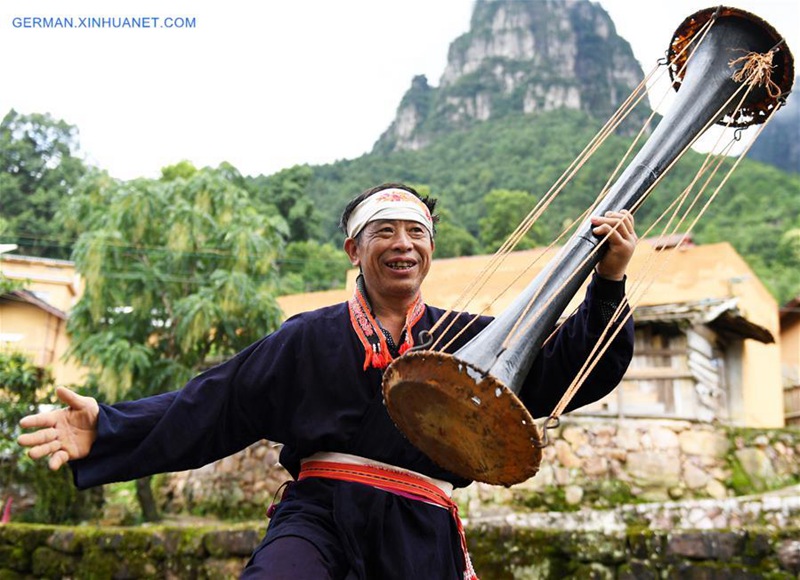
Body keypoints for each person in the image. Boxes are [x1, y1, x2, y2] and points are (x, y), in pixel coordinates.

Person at [18, 183, 637, 579]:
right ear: (353, 249)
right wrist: (109, 425)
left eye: (415, 233)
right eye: (383, 232)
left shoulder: (472, 343)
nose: (402, 244)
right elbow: (216, 402)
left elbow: (566, 369)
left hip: (421, 529)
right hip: (320, 517)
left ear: (431, 251)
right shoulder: (307, 337)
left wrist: (607, 281)